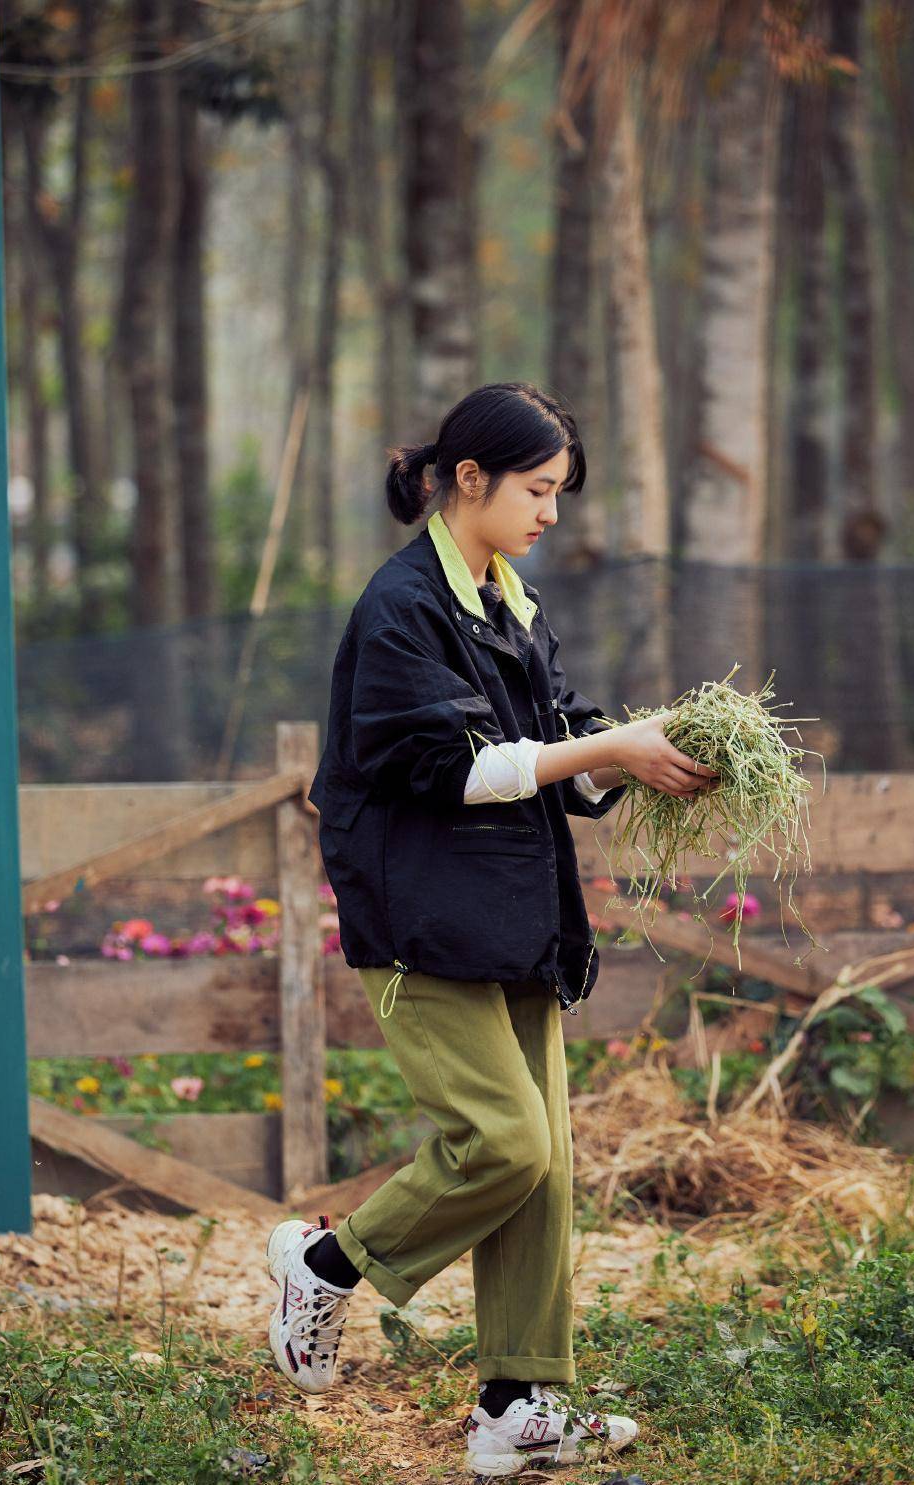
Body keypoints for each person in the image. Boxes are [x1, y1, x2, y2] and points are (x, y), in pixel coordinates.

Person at [265, 381, 719, 1476]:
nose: (550, 514)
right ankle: (327, 1266)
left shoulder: (503, 595)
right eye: (537, 489)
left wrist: (645, 755)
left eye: (558, 492)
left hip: (516, 910)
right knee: (504, 1143)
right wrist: (605, 750)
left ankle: (518, 1406)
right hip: (420, 915)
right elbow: (450, 767)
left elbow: (551, 736)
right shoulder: (400, 609)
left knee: (546, 1166)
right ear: (467, 480)